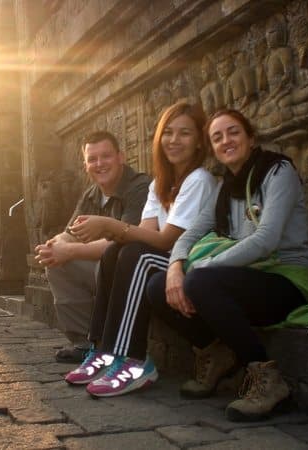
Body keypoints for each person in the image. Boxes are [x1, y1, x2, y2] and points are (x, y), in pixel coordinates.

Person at [146, 109, 308, 421]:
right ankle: (215, 352)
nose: (226, 141)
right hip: (244, 279)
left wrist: (206, 266)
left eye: (233, 132)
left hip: (284, 280)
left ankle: (266, 379)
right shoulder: (225, 187)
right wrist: (175, 269)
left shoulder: (277, 171)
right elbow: (191, 233)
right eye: (217, 137)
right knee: (156, 286)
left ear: (251, 138)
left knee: (201, 281)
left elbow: (266, 239)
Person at [64, 101, 217, 397]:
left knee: (137, 255)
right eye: (168, 133)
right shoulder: (159, 184)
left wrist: (108, 225)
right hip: (164, 258)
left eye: (184, 133)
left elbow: (166, 241)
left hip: (191, 266)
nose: (174, 140)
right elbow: (145, 233)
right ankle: (102, 350)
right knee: (114, 252)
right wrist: (111, 232)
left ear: (199, 141)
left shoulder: (199, 180)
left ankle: (133, 359)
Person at [35, 131, 151, 363]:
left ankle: (110, 344)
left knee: (90, 260)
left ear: (121, 157)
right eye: (92, 159)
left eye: (106, 156)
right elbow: (71, 232)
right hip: (104, 265)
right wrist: (54, 245)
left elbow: (126, 238)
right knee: (56, 264)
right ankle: (85, 343)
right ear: (86, 165)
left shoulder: (140, 186)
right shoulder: (92, 194)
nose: (99, 164)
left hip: (132, 268)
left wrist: (69, 251)